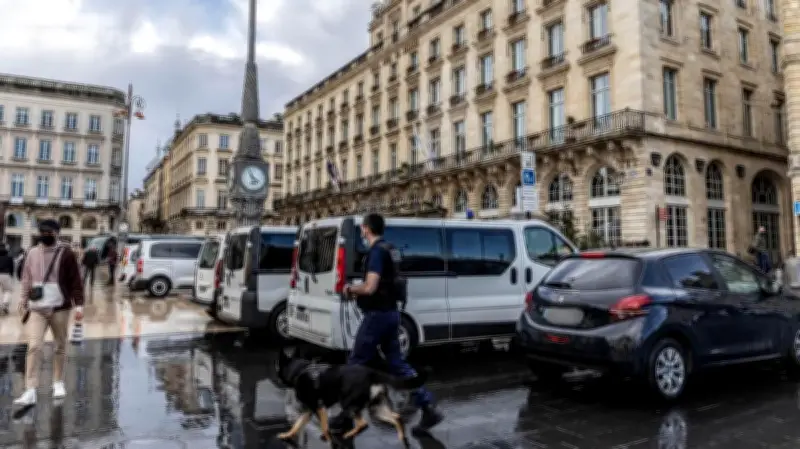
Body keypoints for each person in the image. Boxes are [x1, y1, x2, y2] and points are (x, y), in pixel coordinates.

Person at [342, 213, 444, 431]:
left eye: (362, 228)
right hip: (391, 314)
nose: (361, 231)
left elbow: (370, 286)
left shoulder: (377, 252)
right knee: (397, 364)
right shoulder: (391, 249)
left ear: (367, 229)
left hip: (377, 316)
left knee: (355, 363)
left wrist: (350, 289)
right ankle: (428, 407)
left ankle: (345, 417)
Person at [13, 219, 84, 406]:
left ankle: (58, 382)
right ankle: (30, 389)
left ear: (57, 233)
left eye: (49, 232)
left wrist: (79, 306)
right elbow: (26, 278)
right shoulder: (32, 253)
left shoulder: (66, 253)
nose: (45, 234)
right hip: (37, 308)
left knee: (60, 345)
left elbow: (76, 281)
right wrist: (22, 300)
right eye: (42, 231)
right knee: (34, 346)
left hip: (60, 307)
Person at [0, 244, 14, 314]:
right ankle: (5, 305)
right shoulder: (9, 258)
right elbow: (12, 268)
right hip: (6, 274)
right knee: (8, 291)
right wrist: (11, 276)